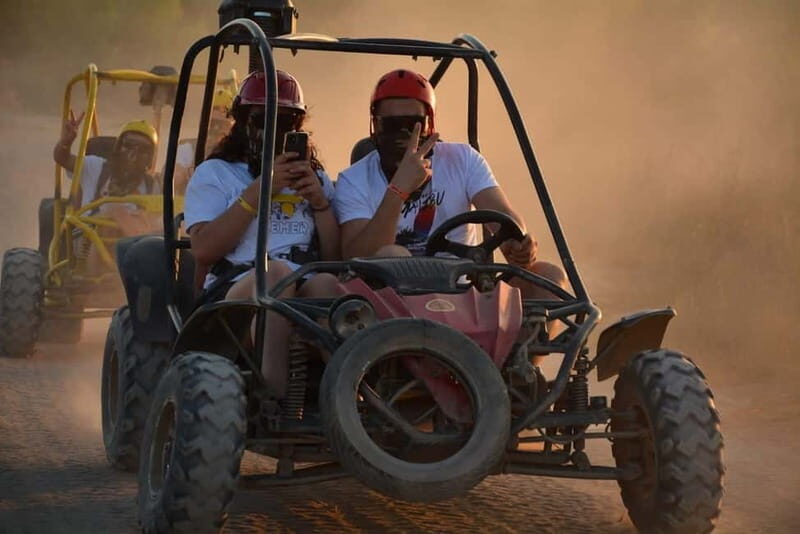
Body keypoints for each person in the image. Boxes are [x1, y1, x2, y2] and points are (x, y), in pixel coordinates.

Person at [334, 69, 568, 362]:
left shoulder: (462, 159)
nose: (406, 135)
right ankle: (402, 372)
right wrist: (398, 190)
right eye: (392, 125)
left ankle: (520, 375)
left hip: (465, 292)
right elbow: (355, 255)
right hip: (394, 308)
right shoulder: (354, 179)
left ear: (429, 124)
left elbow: (503, 216)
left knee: (549, 276)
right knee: (392, 254)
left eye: (414, 124)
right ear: (375, 126)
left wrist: (517, 243)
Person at [184, 70, 340, 398]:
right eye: (263, 119)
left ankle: (346, 398)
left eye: (287, 122)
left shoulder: (314, 178)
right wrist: (260, 191)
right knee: (277, 274)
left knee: (328, 284)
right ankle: (273, 396)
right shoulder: (216, 173)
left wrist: (321, 204)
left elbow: (335, 258)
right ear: (241, 121)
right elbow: (203, 251)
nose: (275, 130)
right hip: (235, 293)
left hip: (304, 285)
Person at [54, 114, 161, 239]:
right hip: (87, 237)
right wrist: (66, 142)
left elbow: (155, 223)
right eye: (129, 145)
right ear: (118, 147)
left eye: (143, 149)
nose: (134, 154)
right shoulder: (96, 167)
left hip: (131, 245)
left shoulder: (151, 185)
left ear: (150, 158)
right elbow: (63, 158)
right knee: (115, 213)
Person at [173, 87, 235, 194]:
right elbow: (172, 179)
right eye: (212, 123)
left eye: (221, 125)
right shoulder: (186, 149)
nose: (215, 129)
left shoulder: (238, 156)